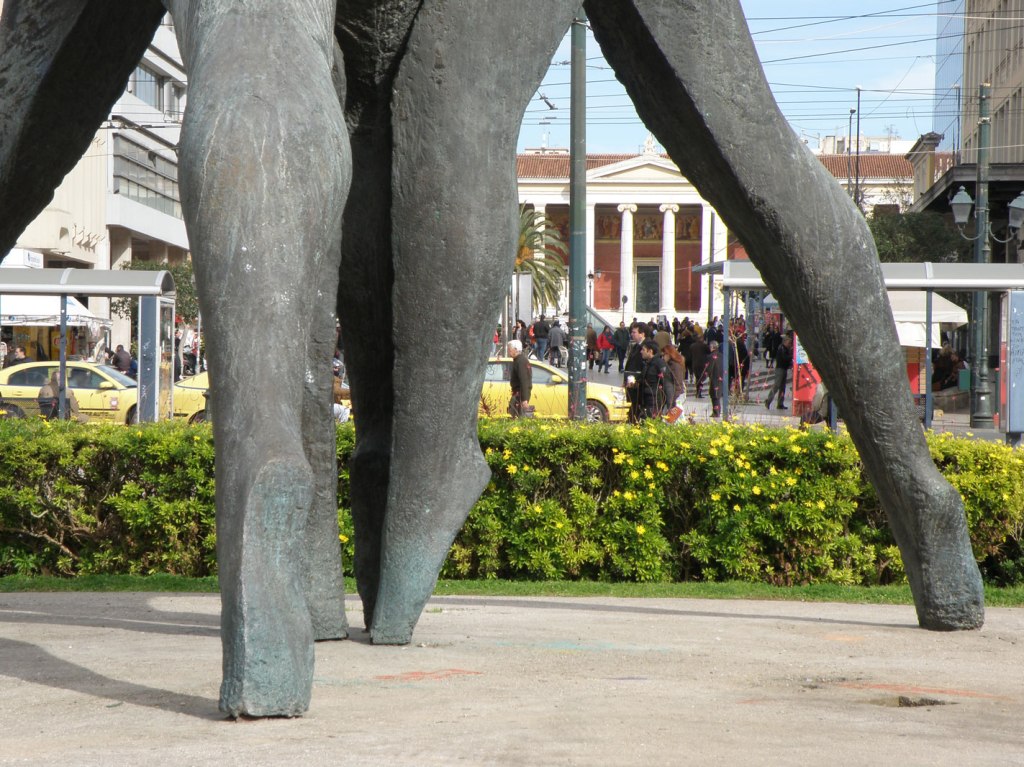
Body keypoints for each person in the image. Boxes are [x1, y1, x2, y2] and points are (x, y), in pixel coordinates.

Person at [638, 339, 673, 417]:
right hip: (646, 400)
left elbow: (667, 383)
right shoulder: (647, 363)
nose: (641, 352)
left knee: (652, 422)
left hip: (654, 401)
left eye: (643, 350)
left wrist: (670, 405)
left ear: (650, 351)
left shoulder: (659, 364)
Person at [623, 323, 646, 423]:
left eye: (634, 332)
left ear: (642, 334)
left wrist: (637, 379)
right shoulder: (636, 346)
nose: (632, 334)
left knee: (636, 408)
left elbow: (644, 366)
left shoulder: (647, 346)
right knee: (632, 407)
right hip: (631, 383)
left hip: (639, 385)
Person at [764, 332, 794, 409]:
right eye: (789, 343)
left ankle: (780, 403)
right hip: (780, 369)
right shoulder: (782, 348)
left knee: (782, 387)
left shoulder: (786, 349)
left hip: (784, 369)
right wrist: (791, 356)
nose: (790, 344)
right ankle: (768, 400)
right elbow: (784, 358)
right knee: (776, 385)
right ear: (785, 342)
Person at [507, 340, 532, 418]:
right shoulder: (518, 360)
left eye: (509, 349)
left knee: (516, 416)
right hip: (517, 394)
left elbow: (525, 381)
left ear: (515, 349)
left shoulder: (521, 361)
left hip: (519, 395)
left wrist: (524, 399)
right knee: (513, 415)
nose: (508, 351)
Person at [706, 340, 723, 418]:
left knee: (714, 395)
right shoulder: (722, 355)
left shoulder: (710, 356)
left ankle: (716, 412)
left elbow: (709, 368)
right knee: (717, 395)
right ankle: (718, 411)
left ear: (712, 347)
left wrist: (707, 375)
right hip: (722, 377)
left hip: (714, 378)